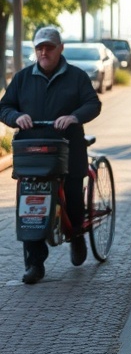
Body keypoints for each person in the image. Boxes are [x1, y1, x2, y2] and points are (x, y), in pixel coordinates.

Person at [0, 27, 102, 284]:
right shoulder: (23, 78)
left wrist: (74, 117)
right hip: (32, 151)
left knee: (73, 191)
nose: (43, 52)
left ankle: (77, 234)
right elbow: (4, 106)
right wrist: (16, 117)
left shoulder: (76, 76)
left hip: (68, 148)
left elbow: (93, 103)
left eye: (49, 47)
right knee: (29, 204)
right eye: (39, 48)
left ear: (60, 49)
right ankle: (34, 263)